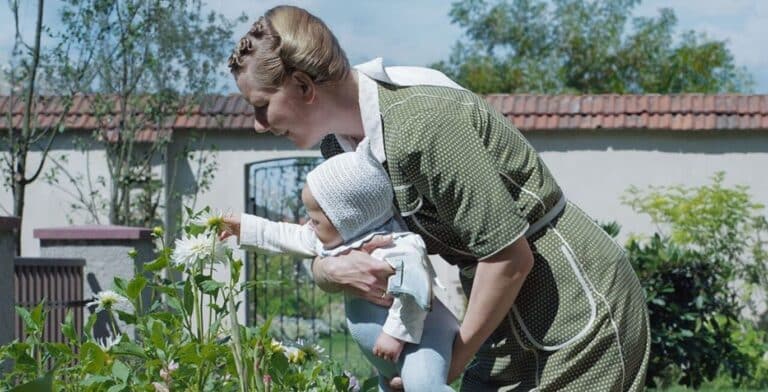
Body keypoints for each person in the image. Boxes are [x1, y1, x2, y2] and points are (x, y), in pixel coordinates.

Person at [224, 5, 650, 391]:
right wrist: (328, 272)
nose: (259, 125)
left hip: (573, 304)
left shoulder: (423, 125)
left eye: (262, 106)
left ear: (302, 85)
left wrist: (439, 370)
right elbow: (331, 243)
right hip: (501, 313)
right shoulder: (339, 151)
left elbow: (509, 258)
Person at [234, 150, 458, 391]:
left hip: (421, 339)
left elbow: (415, 289)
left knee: (424, 384)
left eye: (316, 220)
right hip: (391, 355)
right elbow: (286, 235)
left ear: (348, 219)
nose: (308, 225)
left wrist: (395, 334)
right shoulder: (337, 239)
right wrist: (244, 227)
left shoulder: (396, 246)